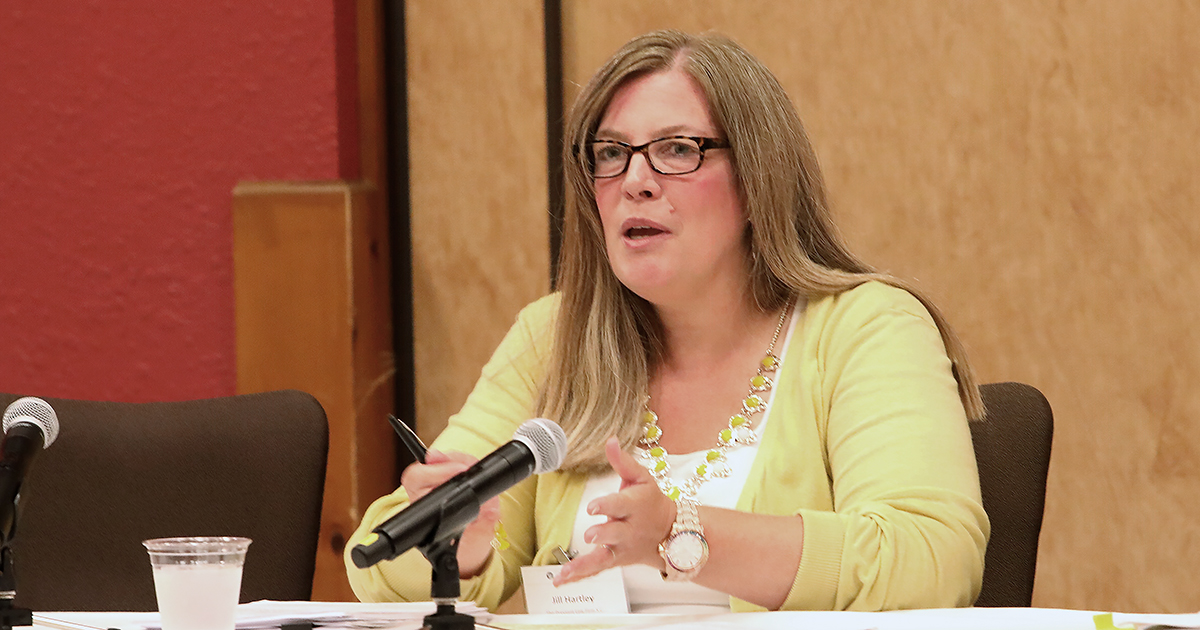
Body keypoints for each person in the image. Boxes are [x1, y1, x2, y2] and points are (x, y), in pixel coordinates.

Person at [344, 29, 989, 613]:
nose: (635, 181)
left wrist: (683, 535)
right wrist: (458, 545)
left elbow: (932, 560)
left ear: (759, 178)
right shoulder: (554, 337)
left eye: (678, 150)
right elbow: (376, 570)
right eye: (611, 153)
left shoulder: (866, 328)